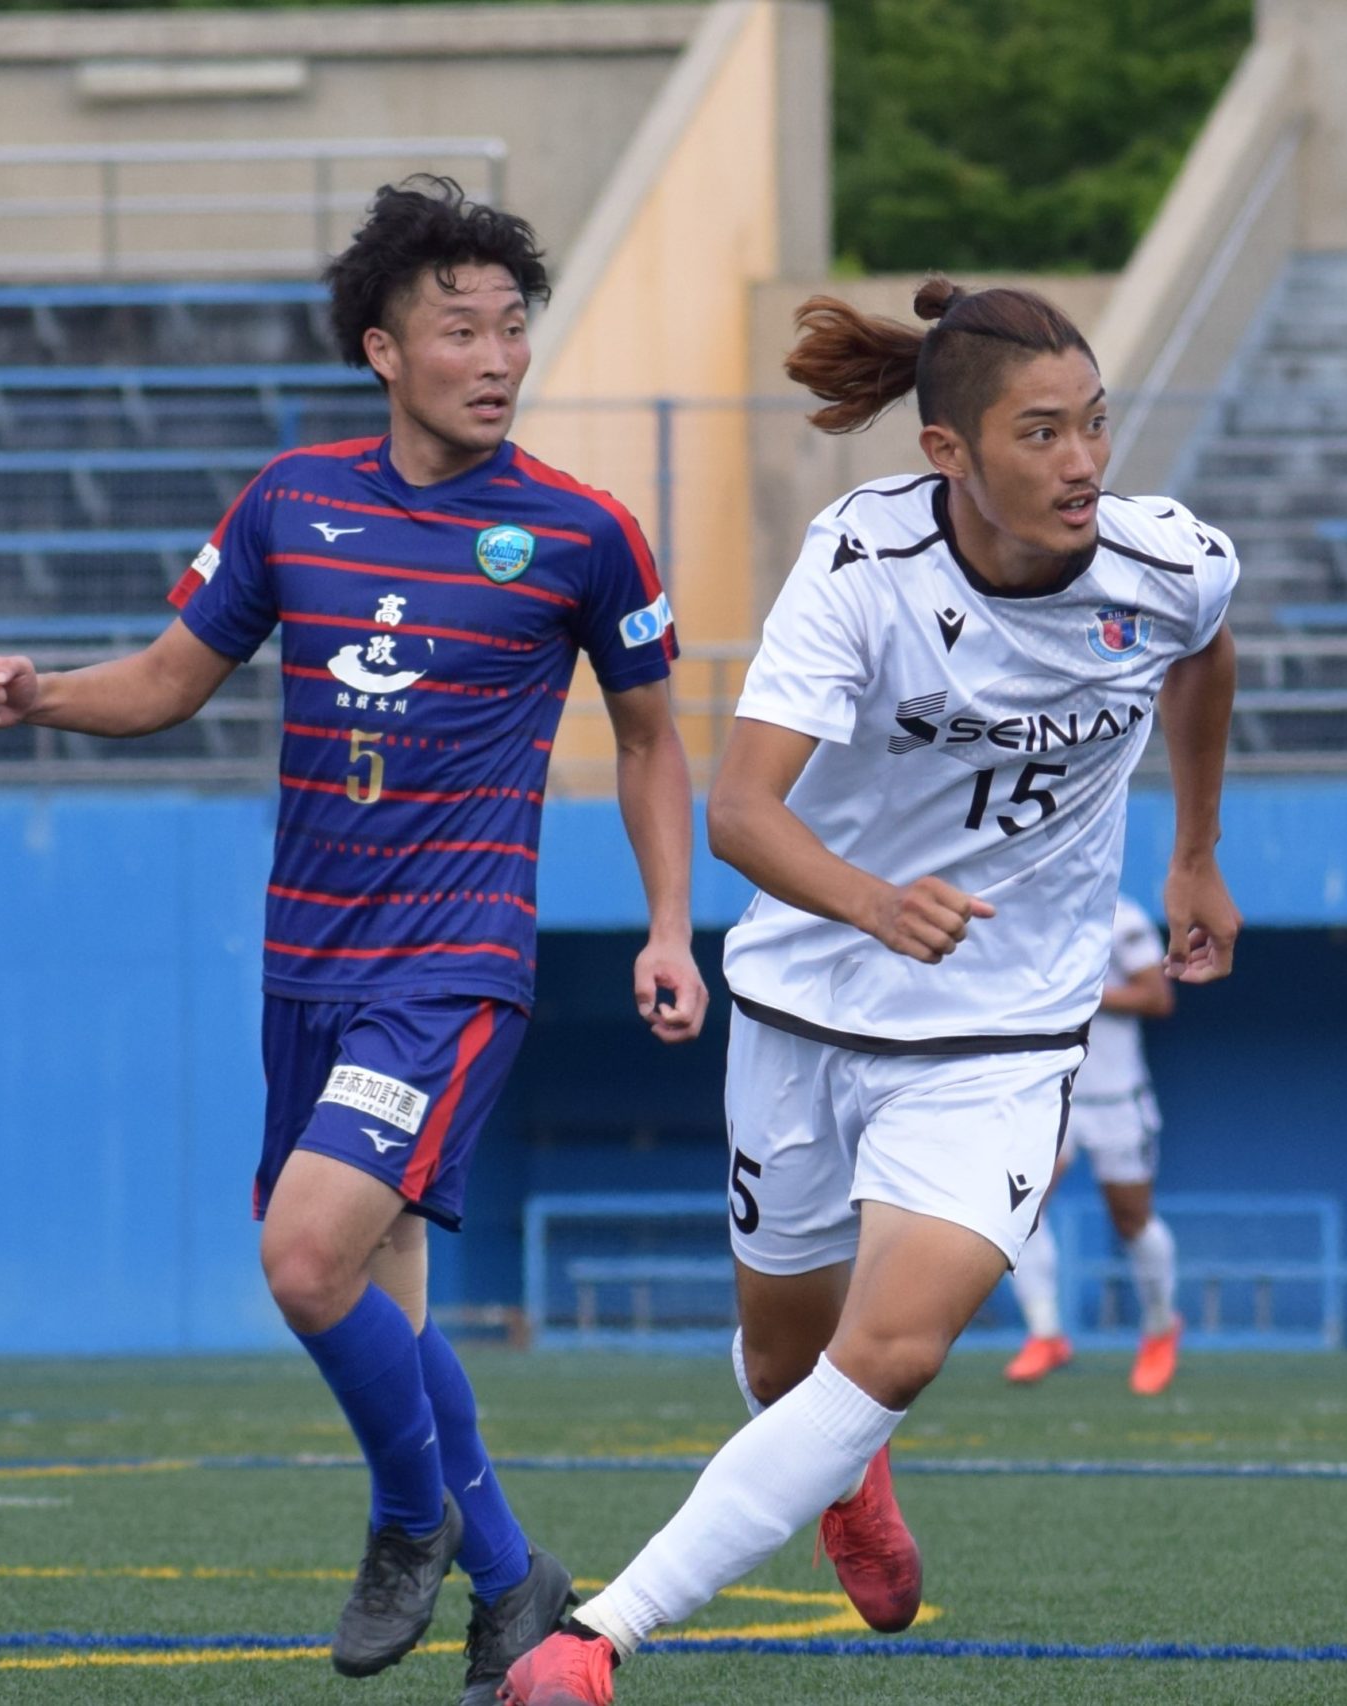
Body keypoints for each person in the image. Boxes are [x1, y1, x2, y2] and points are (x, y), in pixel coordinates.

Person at [0, 177, 709, 1705]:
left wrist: (671, 927)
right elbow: (172, 677)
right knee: (377, 1296)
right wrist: (40, 696)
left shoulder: (583, 532)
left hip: (452, 964)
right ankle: (510, 1581)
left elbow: (649, 740)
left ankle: (408, 1517)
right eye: (460, 330)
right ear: (383, 349)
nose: (497, 357)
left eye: (512, 328)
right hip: (306, 965)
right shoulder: (292, 501)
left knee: (304, 1261)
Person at [503, 277, 1242, 1705]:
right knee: (791, 1362)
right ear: (947, 452)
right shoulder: (862, 559)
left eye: (1095, 423)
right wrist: (875, 901)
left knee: (890, 1350)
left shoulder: (1170, 562)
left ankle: (595, 1639)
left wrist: (1197, 850)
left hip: (1005, 1031)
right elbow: (740, 809)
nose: (1084, 462)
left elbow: (1204, 650)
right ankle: (845, 1477)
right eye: (1042, 433)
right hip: (806, 1008)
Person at [1004, 891, 1184, 1394]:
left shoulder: (1121, 917)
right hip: (1050, 1093)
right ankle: (1046, 1334)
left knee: (1130, 1219)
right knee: (1021, 1210)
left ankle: (1160, 1326)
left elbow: (1157, 997)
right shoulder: (1025, 910)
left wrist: (1082, 993)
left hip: (1115, 1099)